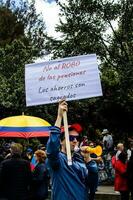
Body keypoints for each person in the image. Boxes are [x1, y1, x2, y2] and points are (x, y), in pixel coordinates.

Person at [46, 100, 88, 200]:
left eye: (77, 138)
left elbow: (91, 182)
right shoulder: (57, 159)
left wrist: (89, 161)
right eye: (71, 138)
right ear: (61, 141)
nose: (75, 141)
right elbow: (52, 148)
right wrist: (59, 117)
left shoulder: (78, 160)